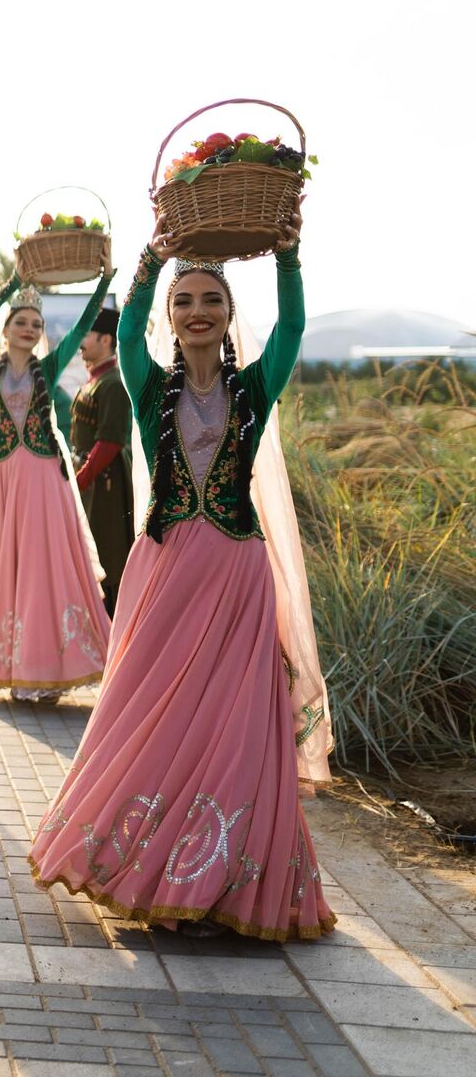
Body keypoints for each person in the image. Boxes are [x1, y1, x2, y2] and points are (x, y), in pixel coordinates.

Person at [30, 226, 334, 940]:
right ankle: (148, 864)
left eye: (211, 301)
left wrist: (288, 253)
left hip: (235, 576)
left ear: (228, 315)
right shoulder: (148, 386)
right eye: (185, 301)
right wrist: (148, 262)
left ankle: (221, 882)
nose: (197, 312)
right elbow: (126, 330)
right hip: (165, 576)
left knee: (235, 726)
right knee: (148, 715)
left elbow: (291, 325)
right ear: (171, 316)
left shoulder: (255, 387)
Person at [0, 273, 113, 702]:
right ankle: (16, 669)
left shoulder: (47, 368)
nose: (29, 329)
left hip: (43, 479)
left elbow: (86, 322)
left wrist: (104, 282)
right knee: (8, 569)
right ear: (7, 330)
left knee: (43, 568)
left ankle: (53, 666)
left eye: (36, 324)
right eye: (21, 322)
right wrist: (14, 284)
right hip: (3, 482)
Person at [70, 307, 133, 613]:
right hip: (91, 481)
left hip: (104, 483)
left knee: (107, 553)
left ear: (106, 339)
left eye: (87, 335)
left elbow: (109, 443)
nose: (81, 342)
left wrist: (80, 479)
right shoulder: (95, 380)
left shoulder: (113, 384)